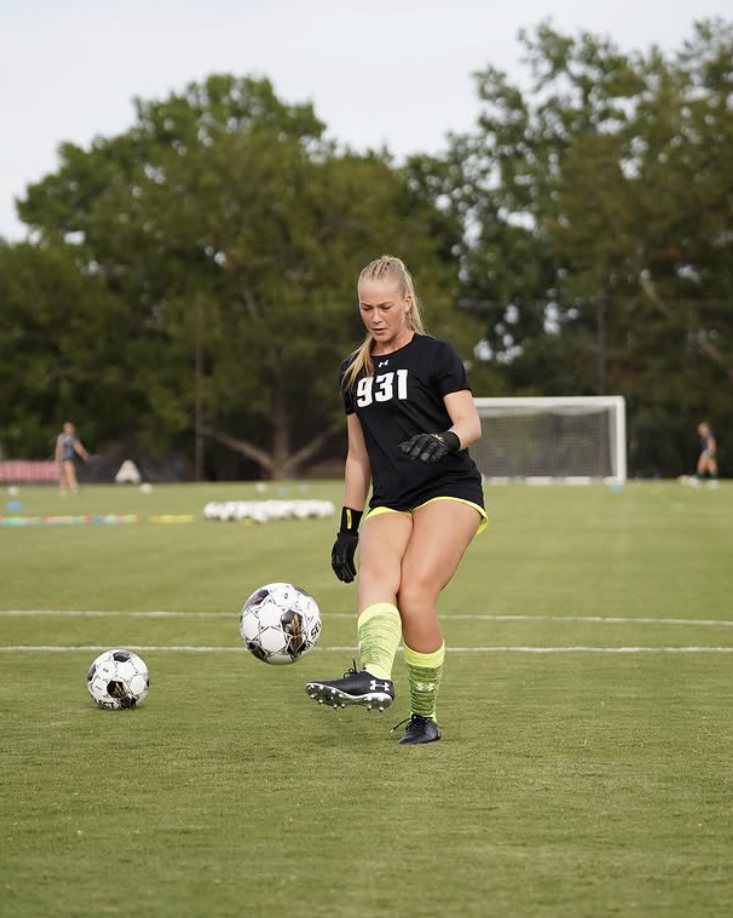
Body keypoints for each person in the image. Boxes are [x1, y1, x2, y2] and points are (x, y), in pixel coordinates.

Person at [305, 255, 487, 745]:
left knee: (414, 596)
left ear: (407, 302)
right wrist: (347, 526)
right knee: (377, 578)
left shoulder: (437, 355)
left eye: (385, 306)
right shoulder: (352, 371)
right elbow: (357, 458)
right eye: (366, 308)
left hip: (449, 490)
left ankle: (424, 718)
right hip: (391, 498)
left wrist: (446, 440)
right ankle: (374, 678)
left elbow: (470, 423)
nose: (376, 317)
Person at [55, 421, 90, 494]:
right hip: (63, 458)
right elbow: (59, 448)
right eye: (70, 428)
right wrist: (58, 458)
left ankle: (64, 490)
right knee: (67, 473)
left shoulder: (71, 437)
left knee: (67, 473)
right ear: (65, 429)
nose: (71, 429)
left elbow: (78, 447)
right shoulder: (63, 437)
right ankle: (73, 488)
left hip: (68, 458)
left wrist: (84, 454)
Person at [693, 421, 719, 488]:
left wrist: (709, 452)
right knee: (711, 466)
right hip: (707, 452)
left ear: (706, 428)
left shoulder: (708, 435)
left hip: (707, 452)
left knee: (701, 465)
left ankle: (698, 480)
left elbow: (711, 444)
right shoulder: (706, 435)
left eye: (701, 428)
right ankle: (714, 481)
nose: (700, 430)